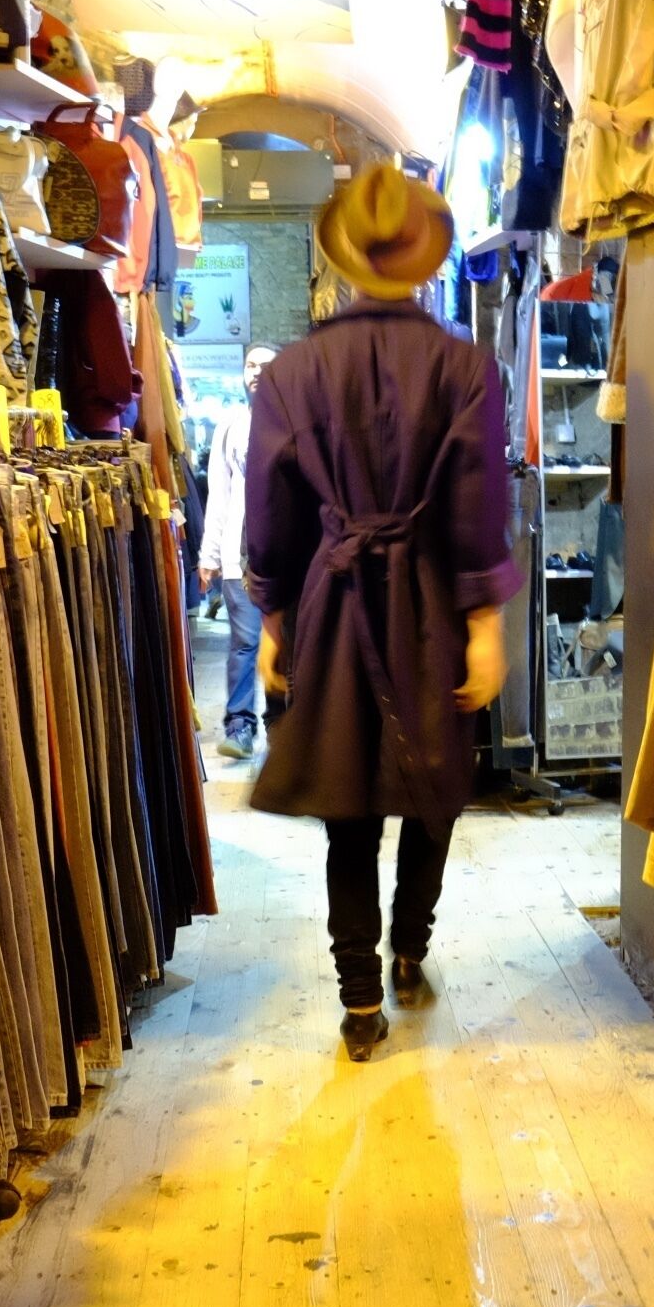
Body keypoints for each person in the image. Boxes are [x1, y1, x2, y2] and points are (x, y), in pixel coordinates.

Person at [243, 166, 517, 1061]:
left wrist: (274, 623)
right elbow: (478, 509)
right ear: (427, 255)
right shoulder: (467, 368)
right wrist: (485, 626)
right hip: (431, 602)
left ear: (344, 256)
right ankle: (407, 955)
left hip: (334, 602)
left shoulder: (291, 372)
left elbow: (271, 518)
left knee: (348, 808)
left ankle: (360, 1002)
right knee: (433, 792)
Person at [196, 344, 277, 755]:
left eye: (266, 365)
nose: (257, 372)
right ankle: (239, 727)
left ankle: (282, 727)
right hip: (237, 557)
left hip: (284, 558)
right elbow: (220, 495)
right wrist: (209, 556)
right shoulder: (230, 424)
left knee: (287, 647)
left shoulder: (295, 420)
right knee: (245, 643)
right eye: (250, 365)